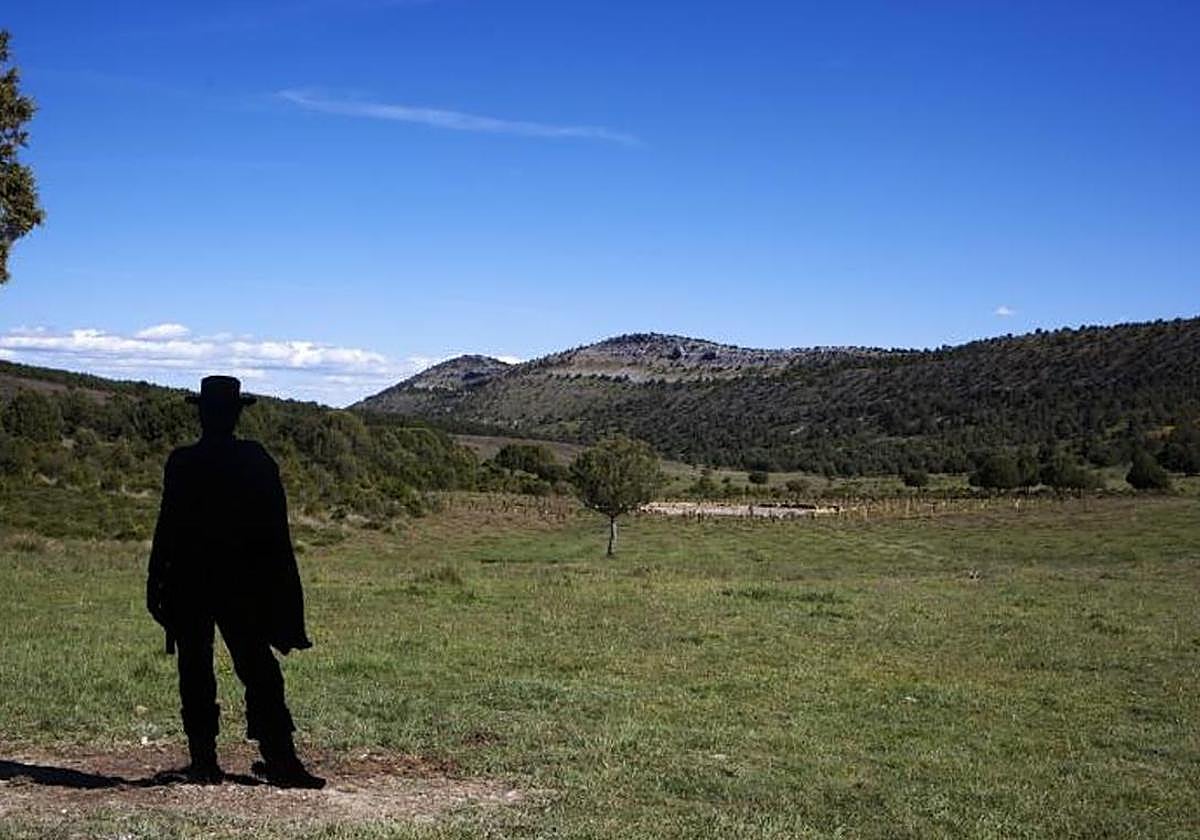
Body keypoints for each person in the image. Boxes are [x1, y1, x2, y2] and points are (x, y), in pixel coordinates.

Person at [147, 375, 324, 789]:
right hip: (239, 585)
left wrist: (155, 580)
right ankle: (280, 758)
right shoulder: (253, 459)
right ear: (234, 414)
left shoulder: (183, 461)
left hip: (190, 582)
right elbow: (274, 533)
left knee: (197, 669)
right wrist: (278, 590)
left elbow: (166, 528)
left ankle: (205, 761)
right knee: (258, 670)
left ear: (204, 413)